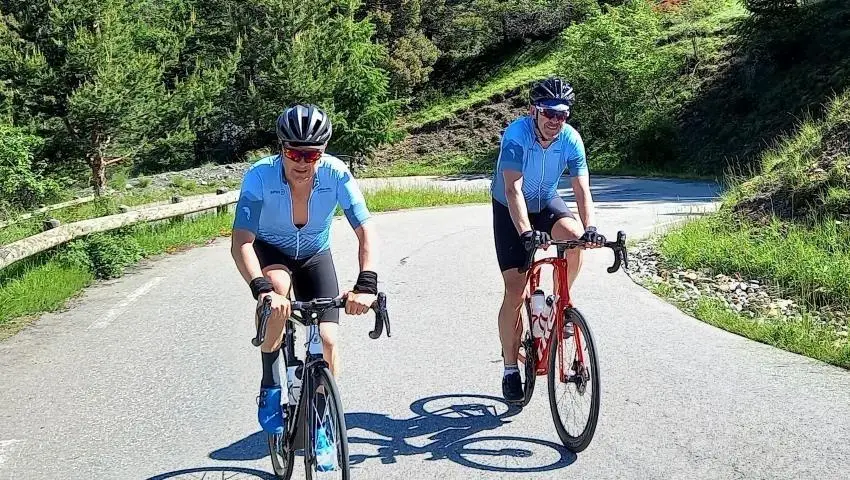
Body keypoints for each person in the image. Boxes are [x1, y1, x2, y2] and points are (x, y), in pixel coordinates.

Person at [230, 103, 379, 438]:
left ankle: (322, 426)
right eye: (293, 153)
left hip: (314, 253)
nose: (301, 162)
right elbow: (241, 240)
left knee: (327, 339)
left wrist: (366, 283)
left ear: (322, 153)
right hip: (271, 249)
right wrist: (261, 289)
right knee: (278, 286)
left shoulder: (337, 173)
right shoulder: (260, 175)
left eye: (310, 155)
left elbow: (366, 230)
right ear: (281, 148)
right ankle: (270, 381)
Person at [490, 77, 606, 404]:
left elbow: (582, 189)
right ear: (534, 111)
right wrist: (526, 233)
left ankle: (560, 305)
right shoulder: (516, 136)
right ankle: (510, 367)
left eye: (563, 114)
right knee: (516, 291)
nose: (556, 121)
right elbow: (512, 189)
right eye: (550, 113)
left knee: (575, 239)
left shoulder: (570, 139)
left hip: (546, 201)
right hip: (510, 210)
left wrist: (591, 227)